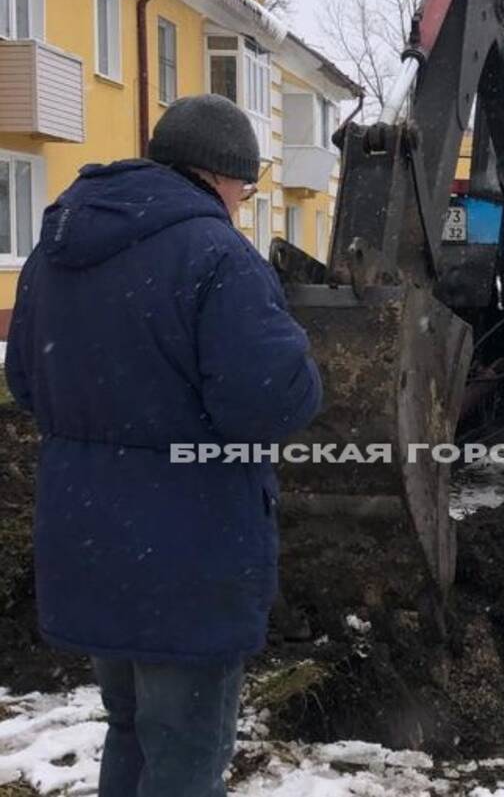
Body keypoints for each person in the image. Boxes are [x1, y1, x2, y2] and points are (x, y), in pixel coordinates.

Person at [4, 94, 322, 797]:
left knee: (133, 730)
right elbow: (269, 402)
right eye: (249, 182)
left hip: (90, 542)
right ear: (220, 175)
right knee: (185, 754)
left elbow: (23, 378)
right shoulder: (218, 257)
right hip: (188, 554)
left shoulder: (57, 248)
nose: (246, 198)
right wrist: (298, 351)